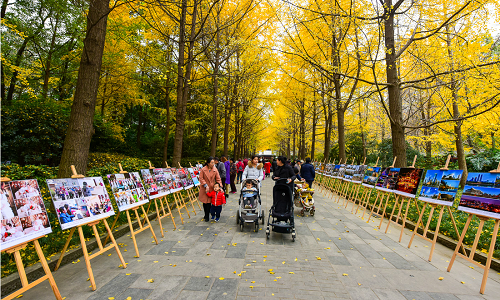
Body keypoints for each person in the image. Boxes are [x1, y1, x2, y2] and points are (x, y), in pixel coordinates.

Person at [199, 157, 222, 222]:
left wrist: (220, 186)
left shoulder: (215, 169)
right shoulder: (203, 169)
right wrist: (205, 185)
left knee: (209, 202)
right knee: (205, 202)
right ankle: (206, 214)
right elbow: (201, 178)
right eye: (212, 162)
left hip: (212, 188)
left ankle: (207, 215)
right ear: (208, 163)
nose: (213, 164)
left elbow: (218, 178)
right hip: (204, 188)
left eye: (214, 162)